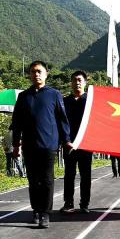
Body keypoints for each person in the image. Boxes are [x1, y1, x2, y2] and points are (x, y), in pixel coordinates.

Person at [11, 60, 72, 228]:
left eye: (39, 71)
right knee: (33, 180)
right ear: (29, 75)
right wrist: (16, 145)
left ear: (46, 74)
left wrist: (66, 140)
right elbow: (16, 122)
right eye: (33, 71)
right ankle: (36, 210)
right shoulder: (24, 97)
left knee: (46, 180)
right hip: (29, 146)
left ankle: (45, 213)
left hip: (49, 145)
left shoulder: (54, 94)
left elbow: (62, 119)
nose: (36, 74)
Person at [60, 70, 93, 214]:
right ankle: (68, 203)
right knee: (69, 174)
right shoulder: (64, 101)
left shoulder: (91, 101)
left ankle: (84, 204)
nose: (77, 82)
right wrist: (65, 140)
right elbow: (61, 122)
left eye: (80, 80)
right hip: (69, 144)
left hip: (86, 144)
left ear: (85, 82)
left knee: (86, 175)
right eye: (74, 80)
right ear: (71, 83)